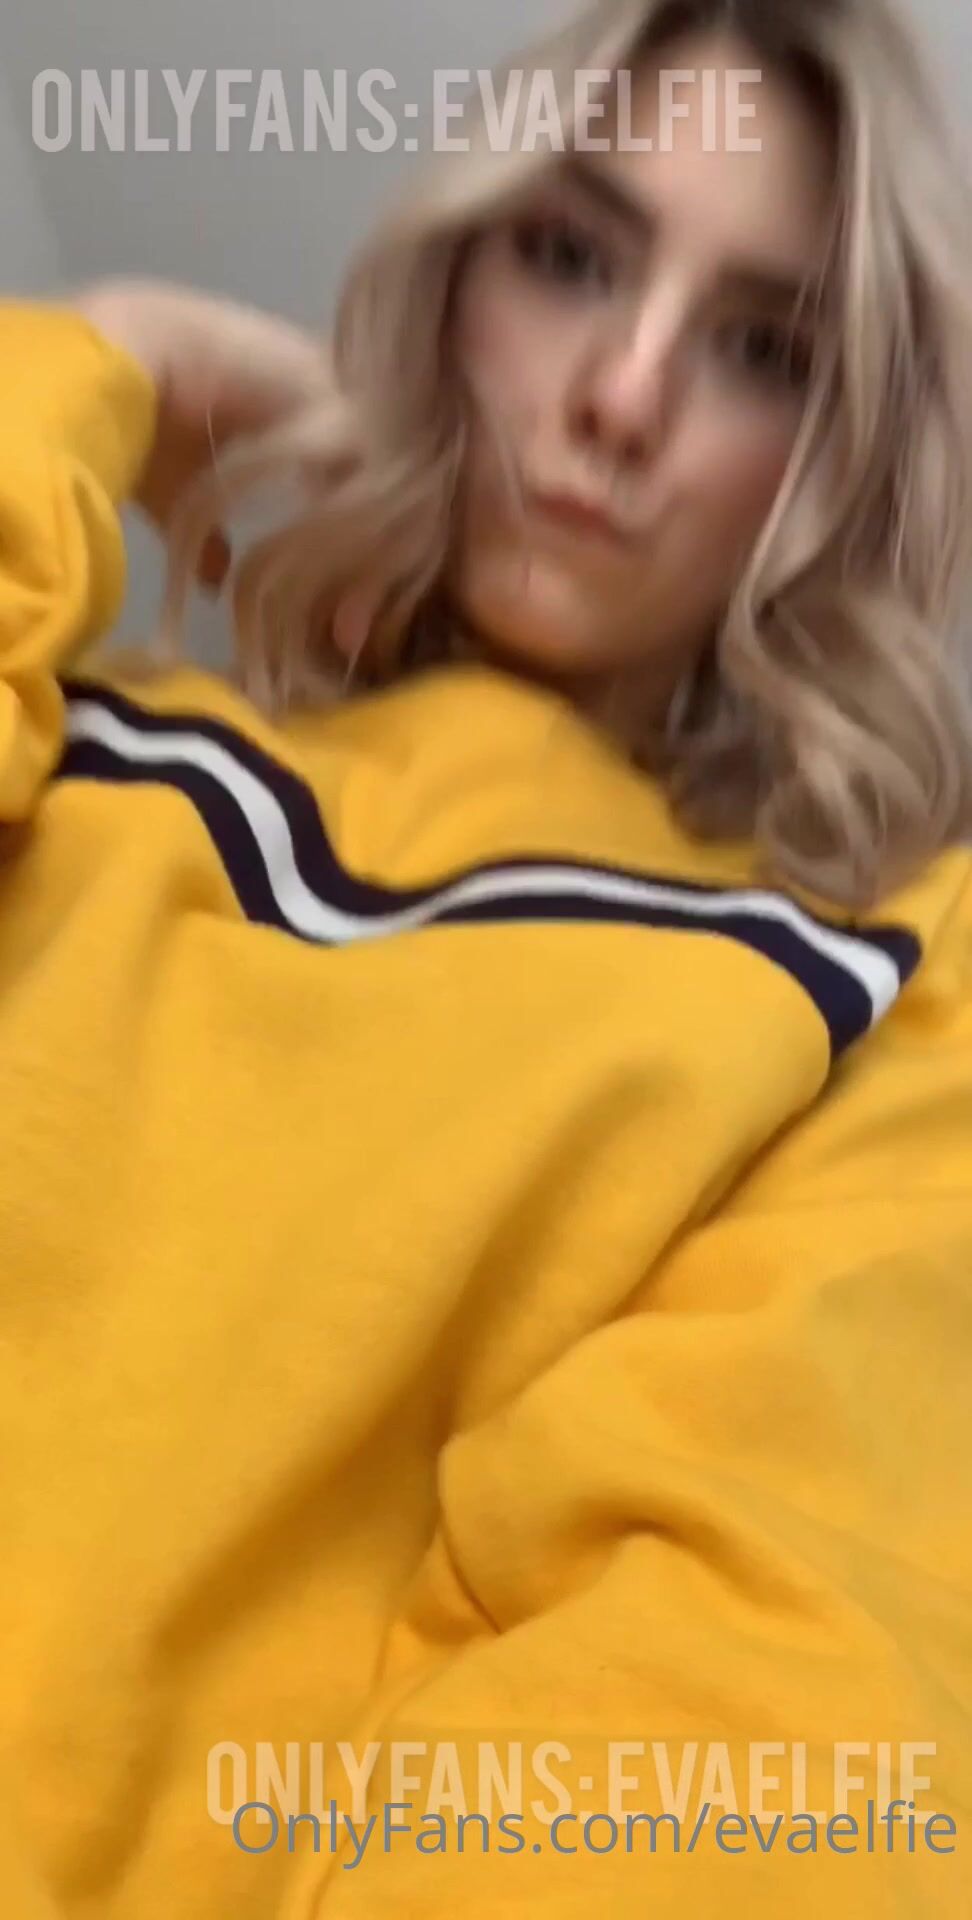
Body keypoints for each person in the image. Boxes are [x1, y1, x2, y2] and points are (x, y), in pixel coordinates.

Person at [0, 0, 970, 1914]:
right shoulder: (84, 731)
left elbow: (736, 1712)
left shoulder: (876, 976)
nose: (622, 395)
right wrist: (116, 348)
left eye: (761, 348)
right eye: (571, 254)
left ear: (836, 453)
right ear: (456, 274)